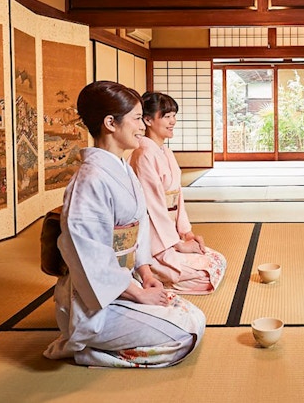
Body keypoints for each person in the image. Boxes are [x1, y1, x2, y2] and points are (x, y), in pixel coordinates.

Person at [44, 81, 205, 368]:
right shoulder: (90, 180)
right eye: (136, 118)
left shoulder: (121, 168)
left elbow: (140, 228)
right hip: (96, 302)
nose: (142, 127)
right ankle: (86, 350)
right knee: (184, 334)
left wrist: (145, 272)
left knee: (194, 317)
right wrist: (139, 294)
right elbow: (90, 258)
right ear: (110, 123)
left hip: (126, 283)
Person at [130, 92, 227, 294]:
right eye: (166, 116)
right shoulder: (143, 154)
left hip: (172, 234)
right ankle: (147, 272)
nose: (173, 121)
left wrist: (187, 234)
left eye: (174, 115)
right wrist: (176, 245)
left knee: (217, 260)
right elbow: (154, 209)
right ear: (147, 120)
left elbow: (177, 199)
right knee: (203, 277)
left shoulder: (165, 152)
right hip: (156, 241)